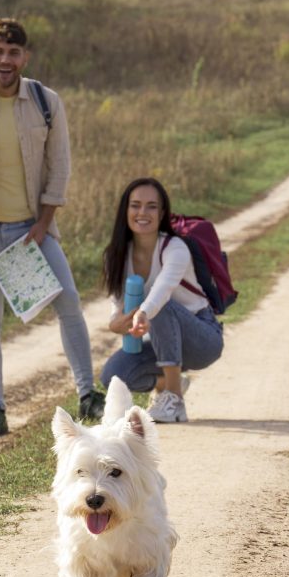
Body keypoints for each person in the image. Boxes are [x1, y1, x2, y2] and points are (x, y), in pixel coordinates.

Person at [0, 17, 104, 436]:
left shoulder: (47, 102)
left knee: (69, 305)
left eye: (13, 52)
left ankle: (88, 395)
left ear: (25, 57)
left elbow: (59, 168)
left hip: (33, 231)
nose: (5, 60)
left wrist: (44, 224)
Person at [100, 177, 224, 423]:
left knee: (161, 307)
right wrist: (115, 323)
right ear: (125, 210)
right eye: (135, 205)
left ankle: (174, 400)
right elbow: (117, 308)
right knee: (113, 376)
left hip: (202, 339)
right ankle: (170, 381)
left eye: (151, 206)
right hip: (161, 340)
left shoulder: (175, 247)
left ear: (163, 212)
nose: (142, 212)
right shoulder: (116, 255)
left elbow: (162, 291)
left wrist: (143, 313)